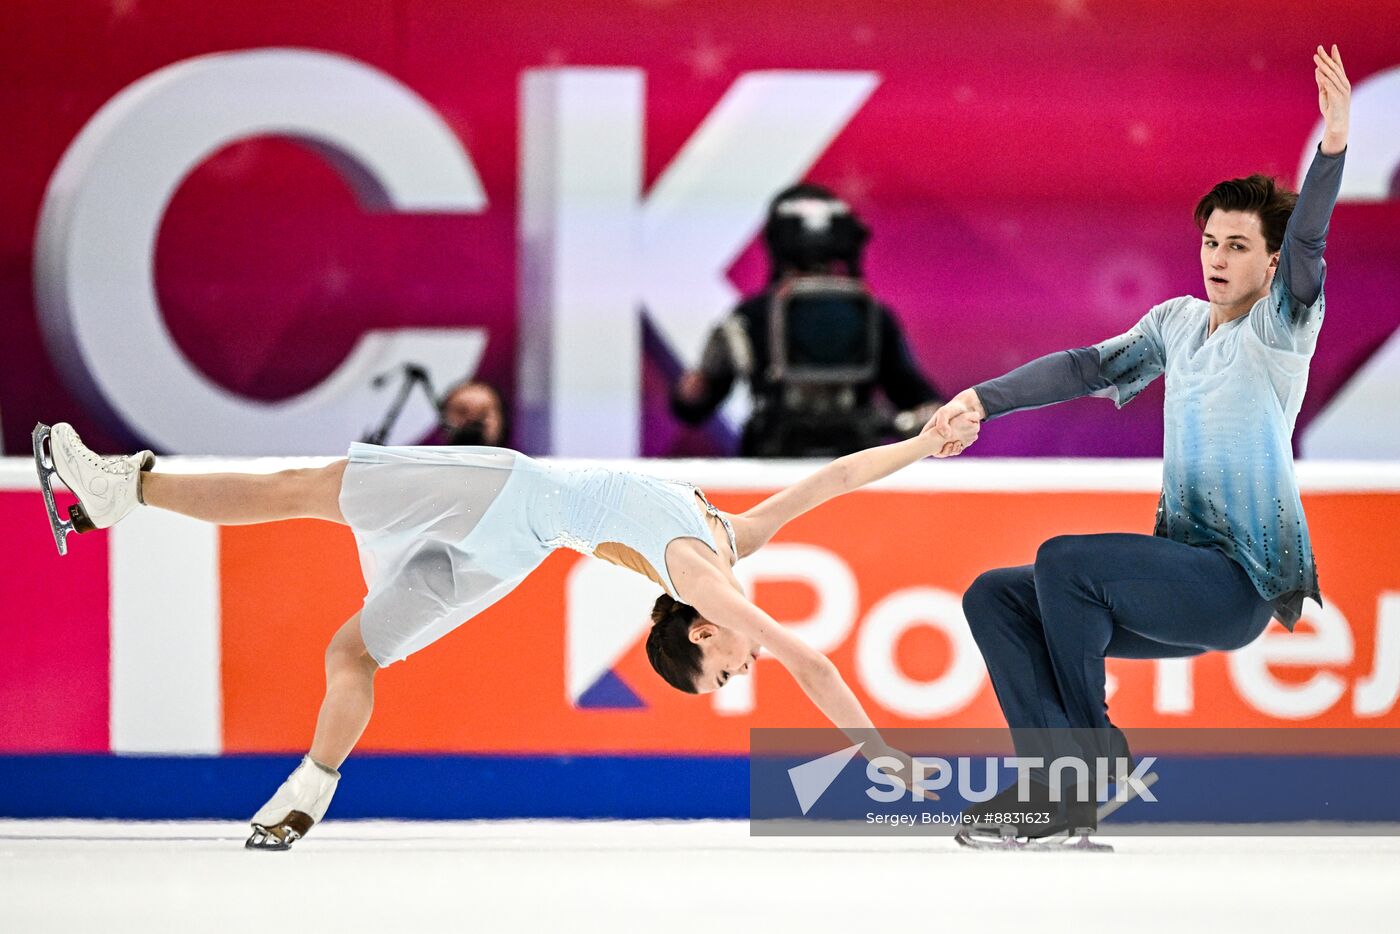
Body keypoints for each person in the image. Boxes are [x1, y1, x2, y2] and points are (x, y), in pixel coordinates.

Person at [32, 412, 978, 849]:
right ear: (701, 633)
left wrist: (882, 754)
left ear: (697, 632)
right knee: (322, 545)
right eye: (731, 673)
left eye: (728, 675)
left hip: (508, 519)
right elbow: (838, 482)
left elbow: (807, 651)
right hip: (505, 518)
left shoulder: (705, 568)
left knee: (336, 591)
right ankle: (125, 488)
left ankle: (310, 786)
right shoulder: (718, 554)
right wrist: (924, 444)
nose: (745, 663)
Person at [926, 46, 1351, 842]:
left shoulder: (1280, 327)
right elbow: (1086, 367)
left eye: (1237, 247)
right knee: (995, 594)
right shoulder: (1177, 324)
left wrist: (1331, 151)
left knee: (1064, 559)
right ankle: (1051, 783)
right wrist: (983, 398)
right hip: (1175, 580)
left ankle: (1089, 768)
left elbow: (1310, 246)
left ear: (1268, 262)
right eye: (1210, 243)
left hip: (1235, 586)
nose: (1218, 258)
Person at [672, 183, 943, 457]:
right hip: (853, 466)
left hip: (775, 464)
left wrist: (698, 383)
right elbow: (914, 394)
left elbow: (695, 405)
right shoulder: (872, 314)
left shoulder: (748, 317)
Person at [434, 378, 509, 447]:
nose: (472, 421)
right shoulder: (425, 459)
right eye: (462, 411)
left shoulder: (518, 460)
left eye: (482, 414)